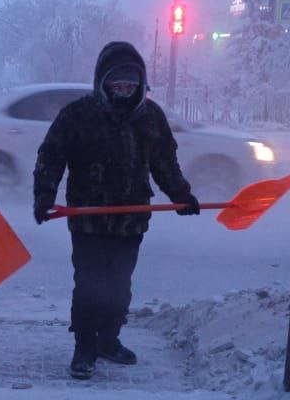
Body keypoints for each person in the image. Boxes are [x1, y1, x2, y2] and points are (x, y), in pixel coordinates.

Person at [33, 41, 200, 380]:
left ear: (141, 84)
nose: (124, 90)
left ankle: (108, 339)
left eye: (130, 84)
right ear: (102, 82)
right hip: (88, 218)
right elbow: (51, 155)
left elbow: (165, 162)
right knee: (89, 284)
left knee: (119, 285)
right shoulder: (78, 115)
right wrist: (44, 194)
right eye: (116, 83)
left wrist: (181, 195)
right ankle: (84, 347)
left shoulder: (151, 117)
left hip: (130, 219)